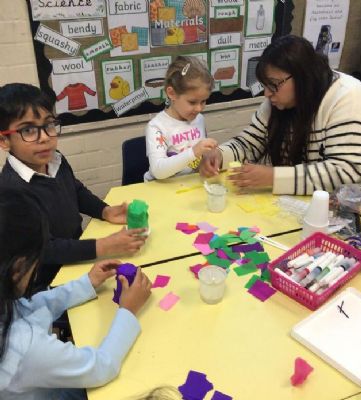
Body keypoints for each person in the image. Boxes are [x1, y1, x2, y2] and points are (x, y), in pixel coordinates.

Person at [200, 35, 361, 197]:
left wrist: (273, 178)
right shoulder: (280, 101)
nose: (268, 94)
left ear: (302, 75)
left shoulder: (351, 99)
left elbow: (343, 174)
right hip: (321, 202)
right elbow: (251, 143)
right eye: (265, 86)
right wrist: (220, 155)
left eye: (274, 84)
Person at [0, 187, 152, 400]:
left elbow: (30, 307)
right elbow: (101, 368)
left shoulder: (6, 303)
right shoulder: (23, 347)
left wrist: (86, 283)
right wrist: (128, 311)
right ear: (17, 269)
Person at [0, 83, 147, 290]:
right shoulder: (11, 191)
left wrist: (104, 211)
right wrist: (104, 245)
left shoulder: (55, 160)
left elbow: (75, 190)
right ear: (4, 141)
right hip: (48, 281)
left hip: (79, 254)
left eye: (49, 125)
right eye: (29, 130)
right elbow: (45, 249)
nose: (44, 138)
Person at [144, 56, 218, 180]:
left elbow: (199, 158)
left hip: (189, 185)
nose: (199, 109)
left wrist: (207, 160)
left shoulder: (199, 119)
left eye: (204, 101)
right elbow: (158, 171)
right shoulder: (157, 126)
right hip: (161, 189)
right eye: (192, 102)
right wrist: (193, 152)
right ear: (171, 93)